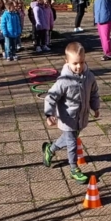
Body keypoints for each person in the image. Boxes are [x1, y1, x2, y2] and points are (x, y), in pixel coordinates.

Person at [42, 42, 100, 184]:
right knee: (72, 143)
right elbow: (51, 96)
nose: (79, 67)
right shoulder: (63, 81)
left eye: (81, 62)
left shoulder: (89, 76)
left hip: (81, 117)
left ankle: (51, 148)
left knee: (70, 138)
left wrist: (96, 107)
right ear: (66, 61)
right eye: (75, 63)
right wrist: (49, 114)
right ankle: (74, 169)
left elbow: (94, 93)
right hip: (67, 118)